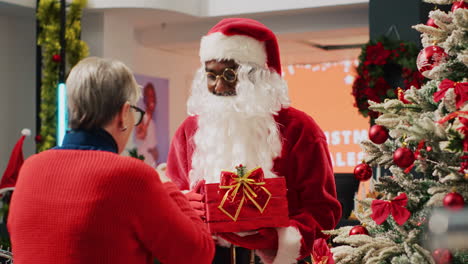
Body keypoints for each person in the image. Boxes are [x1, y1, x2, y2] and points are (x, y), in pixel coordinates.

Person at [166, 18, 342, 264]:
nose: (218, 86)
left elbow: (323, 211)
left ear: (255, 76)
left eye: (229, 74)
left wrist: (279, 239)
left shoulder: (299, 129)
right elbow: (175, 197)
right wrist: (183, 206)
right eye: (211, 75)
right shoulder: (189, 131)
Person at [8, 57, 215, 264]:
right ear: (124, 114)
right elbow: (198, 254)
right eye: (135, 112)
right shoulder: (131, 176)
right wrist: (167, 185)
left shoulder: (31, 168)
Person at [135, 82, 159, 166]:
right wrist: (148, 119)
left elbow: (152, 143)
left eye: (153, 96)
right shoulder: (141, 117)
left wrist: (155, 153)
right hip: (143, 160)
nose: (151, 99)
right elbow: (140, 136)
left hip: (151, 160)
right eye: (149, 96)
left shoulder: (152, 119)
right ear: (145, 98)